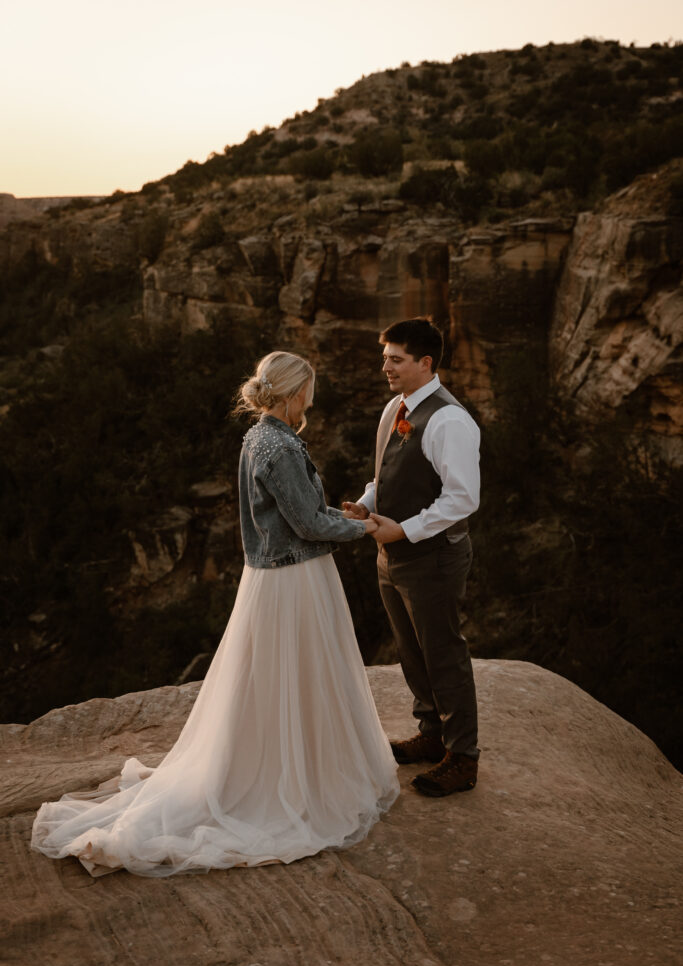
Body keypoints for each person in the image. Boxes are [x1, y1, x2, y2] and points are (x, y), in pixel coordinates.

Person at [31, 351, 399, 877]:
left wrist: (339, 513)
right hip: (294, 579)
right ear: (294, 394)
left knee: (274, 683)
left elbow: (297, 515)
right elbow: (306, 526)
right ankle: (295, 782)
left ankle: (274, 767)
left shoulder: (257, 436)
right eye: (308, 397)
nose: (309, 407)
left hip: (272, 576)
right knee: (301, 677)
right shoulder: (282, 445)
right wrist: (363, 529)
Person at [343, 317, 481, 797]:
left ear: (425, 363)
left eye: (395, 359)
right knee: (410, 650)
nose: (386, 367)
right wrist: (368, 504)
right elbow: (386, 474)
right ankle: (431, 734)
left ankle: (462, 758)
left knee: (442, 652)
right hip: (392, 553)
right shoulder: (394, 408)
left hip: (433, 559)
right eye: (385, 357)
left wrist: (405, 529)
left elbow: (463, 498)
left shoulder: (449, 420)